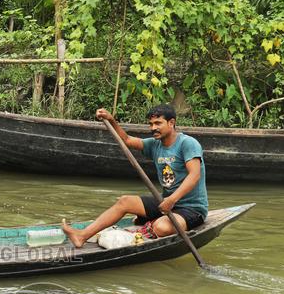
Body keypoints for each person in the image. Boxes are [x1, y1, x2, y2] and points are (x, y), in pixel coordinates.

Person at [62, 105, 208, 248]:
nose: (153, 128)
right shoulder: (154, 144)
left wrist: (172, 200)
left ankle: (152, 221)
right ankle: (82, 235)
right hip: (166, 203)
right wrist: (111, 120)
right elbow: (126, 140)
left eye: (158, 123)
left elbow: (194, 176)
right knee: (124, 201)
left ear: (171, 123)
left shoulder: (187, 143)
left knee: (161, 228)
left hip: (191, 209)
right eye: (150, 124)